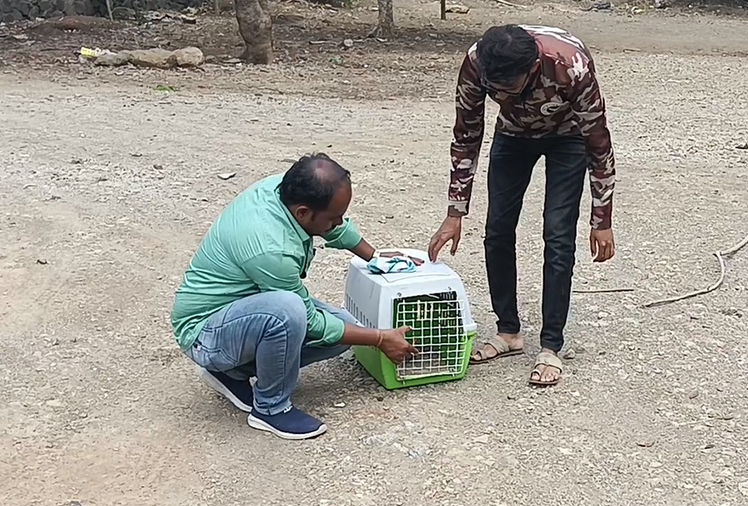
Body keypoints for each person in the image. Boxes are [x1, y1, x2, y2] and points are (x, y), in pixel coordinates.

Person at [171, 153, 420, 440]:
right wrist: (379, 338)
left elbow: (331, 225)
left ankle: (232, 373)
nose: (339, 222)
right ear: (303, 213)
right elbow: (308, 320)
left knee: (344, 327)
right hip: (204, 333)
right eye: (334, 218)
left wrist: (374, 256)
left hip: (245, 309)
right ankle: (270, 409)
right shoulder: (270, 246)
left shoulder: (284, 190)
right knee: (289, 311)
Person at [427, 24, 617, 387]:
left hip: (569, 137)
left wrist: (601, 218)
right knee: (497, 228)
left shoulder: (570, 65)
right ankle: (508, 331)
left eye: (507, 89)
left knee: (558, 235)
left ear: (531, 70)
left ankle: (551, 346)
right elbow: (466, 135)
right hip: (513, 135)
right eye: (493, 88)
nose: (499, 93)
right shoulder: (476, 61)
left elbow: (598, 142)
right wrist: (455, 212)